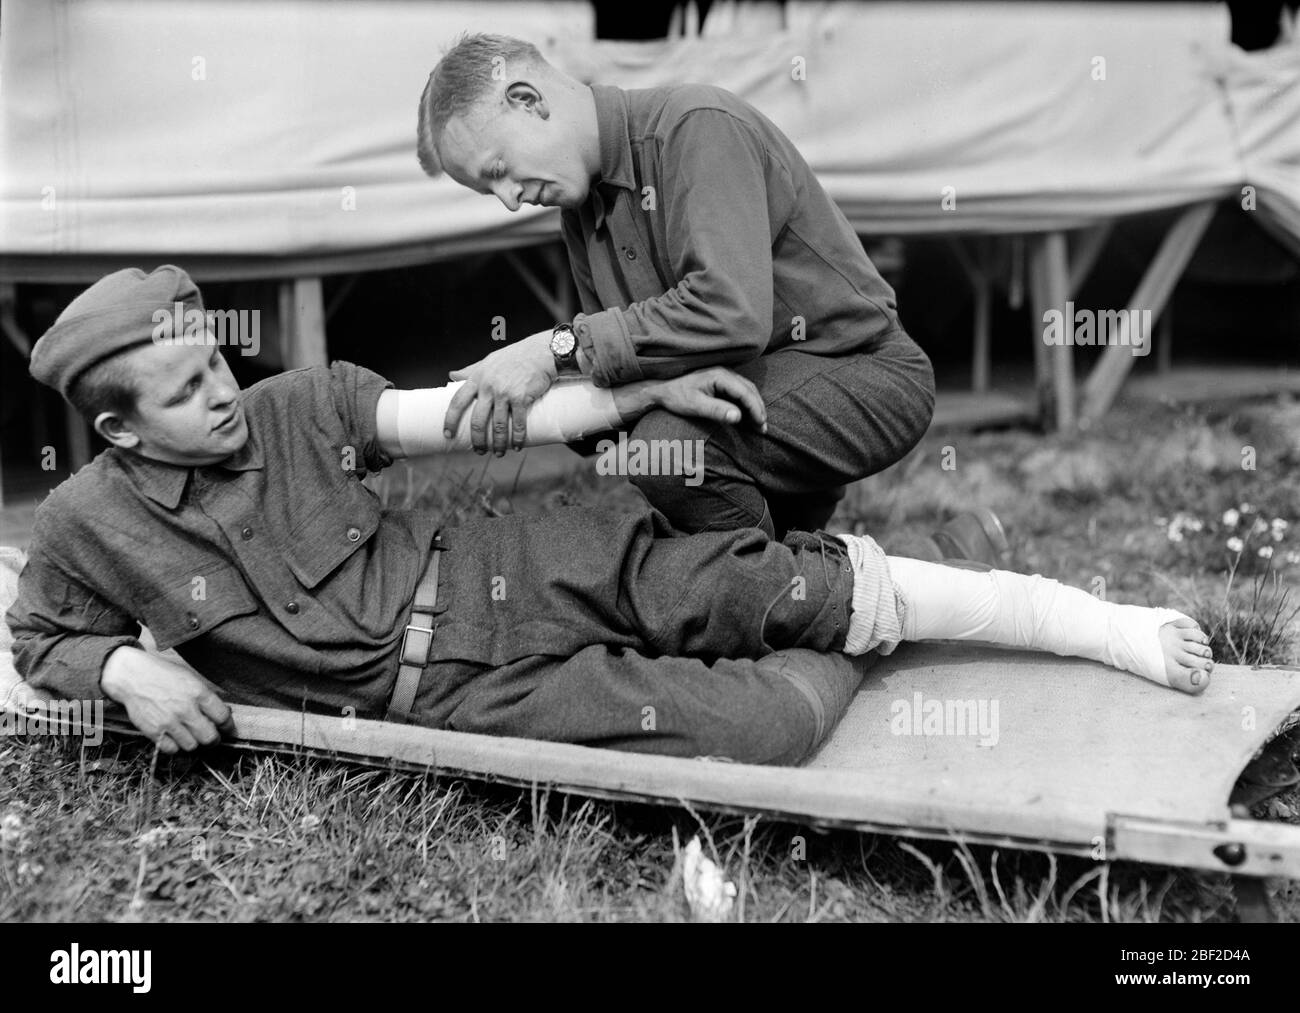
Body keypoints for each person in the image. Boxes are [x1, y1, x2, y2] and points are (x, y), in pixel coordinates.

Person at [6, 267, 1214, 764]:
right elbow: (36, 638)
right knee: (771, 730)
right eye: (183, 393)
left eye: (217, 364)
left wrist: (637, 388)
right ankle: (919, 568)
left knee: (759, 592)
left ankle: (1072, 616)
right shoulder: (82, 523)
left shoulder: (297, 402)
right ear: (117, 430)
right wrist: (120, 669)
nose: (222, 395)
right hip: (468, 697)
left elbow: (478, 417)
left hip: (521, 561)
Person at [416, 33, 937, 540]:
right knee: (634, 450)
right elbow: (618, 374)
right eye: (490, 191)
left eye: (500, 170)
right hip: (747, 407)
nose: (509, 200)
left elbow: (729, 314)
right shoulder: (579, 212)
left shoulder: (696, 125)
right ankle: (897, 565)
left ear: (527, 101)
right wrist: (535, 399)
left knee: (668, 450)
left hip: (860, 371)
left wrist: (553, 350)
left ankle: (776, 591)